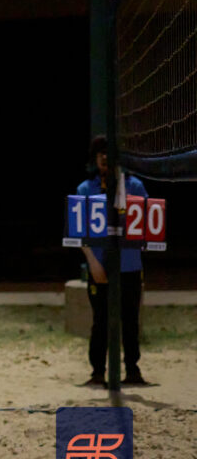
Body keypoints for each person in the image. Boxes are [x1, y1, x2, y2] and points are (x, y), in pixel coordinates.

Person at [77, 135, 150, 388]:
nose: (105, 157)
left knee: (130, 320)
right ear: (94, 158)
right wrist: (93, 262)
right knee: (101, 321)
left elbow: (146, 226)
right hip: (99, 267)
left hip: (130, 265)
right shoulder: (85, 189)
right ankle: (98, 372)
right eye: (100, 153)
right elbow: (79, 233)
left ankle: (133, 370)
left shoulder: (135, 186)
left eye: (109, 153)